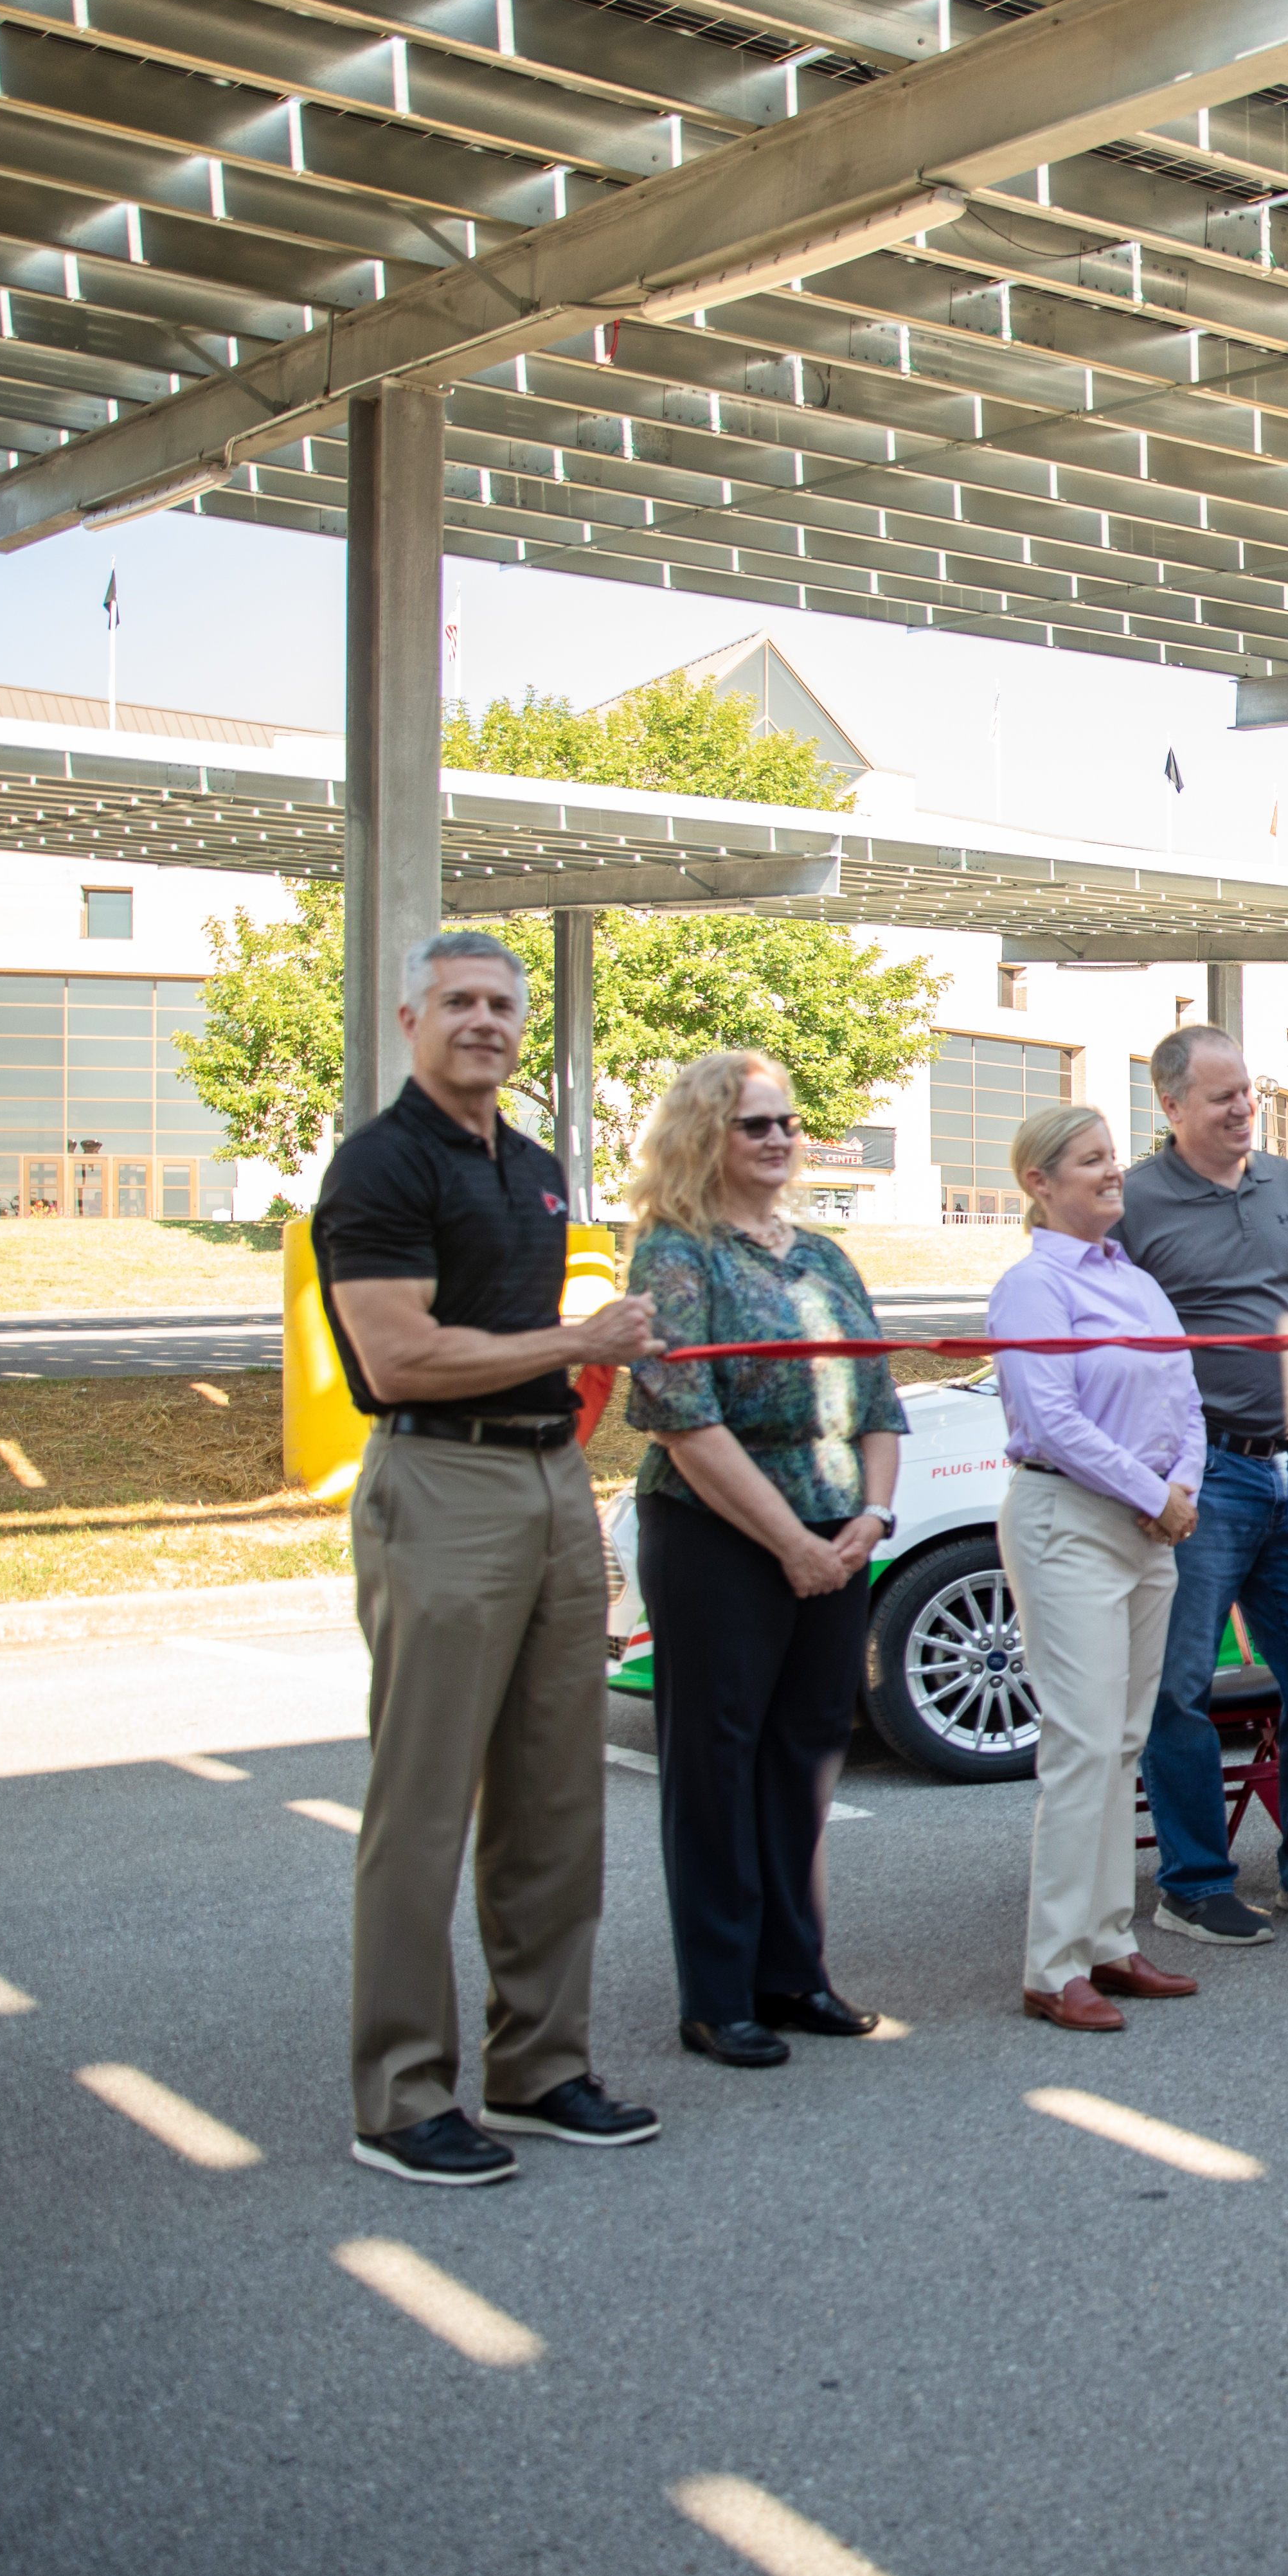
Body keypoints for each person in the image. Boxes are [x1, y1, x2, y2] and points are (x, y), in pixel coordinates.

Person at [314, 929, 663, 2186]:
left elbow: (514, 1335)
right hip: (441, 1478)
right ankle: (403, 2096)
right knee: (423, 1805)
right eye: (457, 1000)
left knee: (556, 1792)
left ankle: (540, 2067)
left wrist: (571, 1362)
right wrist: (576, 1340)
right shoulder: (382, 1163)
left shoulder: (533, 1166)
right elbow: (400, 1355)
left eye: (503, 1005)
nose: (484, 1021)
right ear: (411, 1017)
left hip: (548, 1477)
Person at [618, 1051, 907, 2066]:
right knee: (716, 1762)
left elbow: (880, 1401)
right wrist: (789, 1543)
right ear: (706, 1136)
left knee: (805, 1758)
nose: (780, 1139)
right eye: (756, 1125)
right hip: (718, 1537)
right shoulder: (676, 1253)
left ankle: (794, 1974)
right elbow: (679, 1417)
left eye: (787, 1122)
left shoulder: (825, 1256)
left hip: (840, 1536)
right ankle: (718, 1993)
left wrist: (872, 1518)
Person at [1120, 1026, 1288, 1942]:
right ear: (1170, 1106)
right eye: (1222, 1096)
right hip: (1197, 1474)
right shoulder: (1133, 1204)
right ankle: (1193, 1884)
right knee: (1180, 1685)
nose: (1244, 1108)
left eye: (1249, 1091)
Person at [987, 1101, 1206, 2032]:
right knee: (1080, 1743)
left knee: (1122, 1741)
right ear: (1039, 1182)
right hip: (1070, 1522)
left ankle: (1109, 1939)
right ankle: (1053, 1964)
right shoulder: (1032, 1286)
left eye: (1113, 1155)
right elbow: (1051, 1420)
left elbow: (1184, 1397)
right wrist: (1153, 1492)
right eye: (1090, 1160)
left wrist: (1180, 1486)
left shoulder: (1138, 1281)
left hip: (1149, 1525)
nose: (1114, 1170)